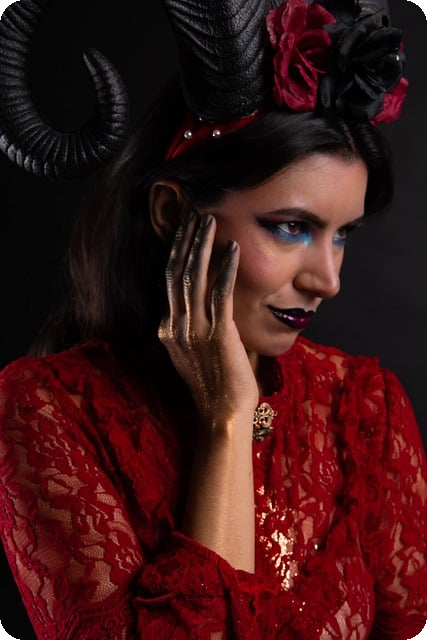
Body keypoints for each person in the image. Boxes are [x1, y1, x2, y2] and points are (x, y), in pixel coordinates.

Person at [0, 0, 426, 638]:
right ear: (173, 214)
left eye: (342, 235)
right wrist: (227, 421)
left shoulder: (365, 409)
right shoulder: (46, 411)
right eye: (291, 227)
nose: (328, 280)